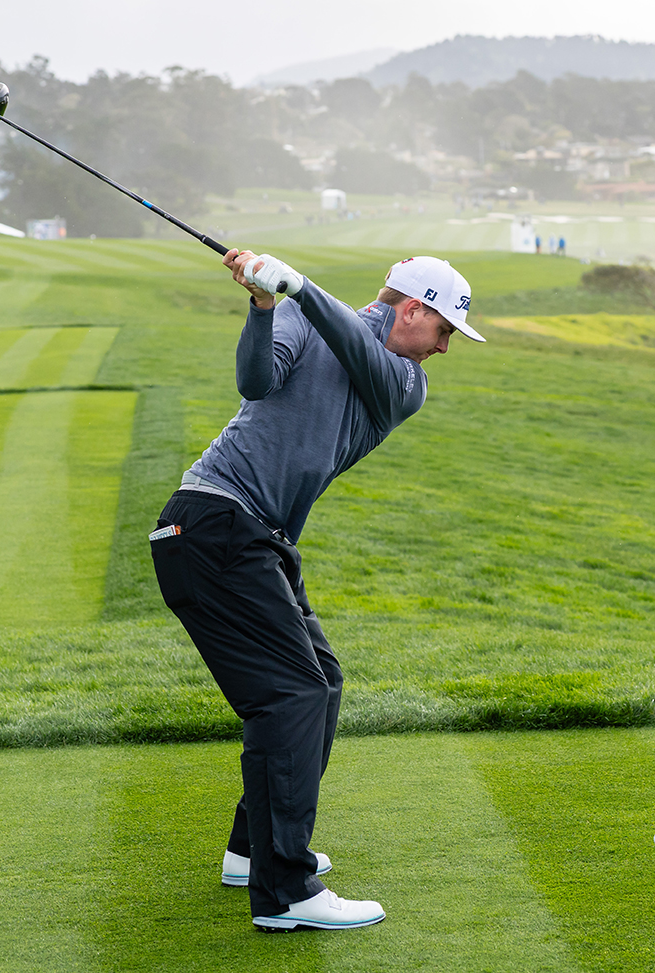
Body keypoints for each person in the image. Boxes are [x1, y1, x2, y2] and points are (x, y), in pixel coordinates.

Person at [151, 249, 483, 934]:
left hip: (255, 538)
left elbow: (355, 343)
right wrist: (265, 304)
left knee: (319, 681)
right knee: (292, 692)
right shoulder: (303, 315)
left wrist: (296, 286)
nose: (446, 346)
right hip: (213, 521)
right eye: (444, 328)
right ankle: (286, 888)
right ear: (413, 308)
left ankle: (253, 850)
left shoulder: (403, 379)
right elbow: (253, 381)